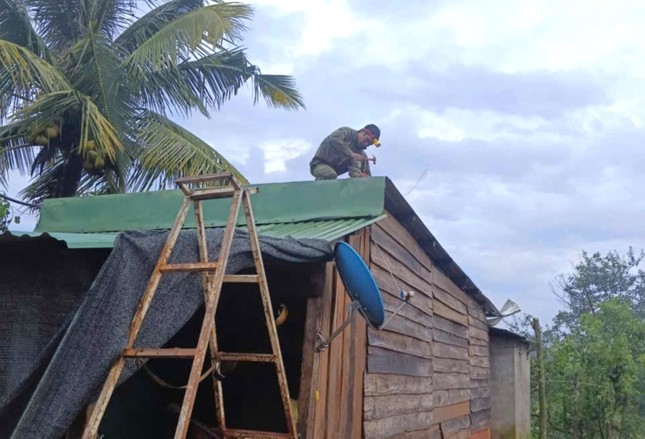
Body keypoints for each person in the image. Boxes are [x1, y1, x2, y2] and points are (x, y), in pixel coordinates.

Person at [310, 124, 381, 180]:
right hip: (319, 163)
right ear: (363, 132)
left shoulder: (359, 152)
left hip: (334, 171)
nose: (366, 144)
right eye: (367, 140)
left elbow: (354, 171)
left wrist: (359, 176)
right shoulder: (347, 132)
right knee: (330, 174)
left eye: (369, 144)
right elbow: (334, 139)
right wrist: (350, 153)